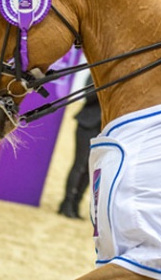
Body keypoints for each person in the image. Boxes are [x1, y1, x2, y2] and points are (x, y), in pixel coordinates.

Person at [58, 74, 102, 219]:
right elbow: (88, 96)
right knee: (80, 164)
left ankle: (76, 204)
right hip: (87, 123)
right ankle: (66, 203)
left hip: (103, 128)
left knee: (92, 169)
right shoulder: (96, 72)